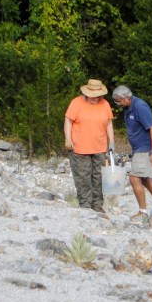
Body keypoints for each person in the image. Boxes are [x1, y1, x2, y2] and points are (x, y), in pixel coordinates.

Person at [64, 79, 115, 212]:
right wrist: (68, 138)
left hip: (100, 147)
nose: (95, 98)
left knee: (99, 177)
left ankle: (97, 205)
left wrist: (112, 142)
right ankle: (85, 206)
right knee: (83, 178)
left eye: (97, 96)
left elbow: (109, 123)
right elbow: (68, 120)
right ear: (86, 93)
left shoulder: (105, 104)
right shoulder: (76, 102)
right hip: (79, 148)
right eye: (92, 96)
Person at [111, 85, 152, 219]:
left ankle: (143, 212)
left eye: (119, 101)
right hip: (138, 149)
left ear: (127, 97)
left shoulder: (140, 107)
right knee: (147, 180)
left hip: (145, 149)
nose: (118, 104)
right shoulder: (128, 108)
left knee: (134, 178)